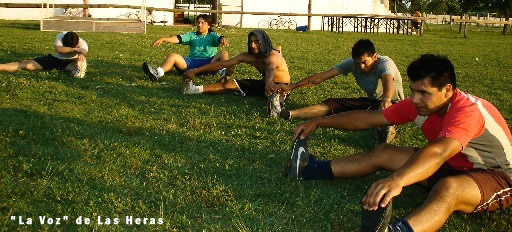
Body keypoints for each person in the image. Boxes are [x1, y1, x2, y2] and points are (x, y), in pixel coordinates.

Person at [286, 54, 512, 232]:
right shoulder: (419, 105)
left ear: (448, 90)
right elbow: (368, 118)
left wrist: (398, 180)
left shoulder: (467, 112)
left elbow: (439, 152)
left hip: (496, 174)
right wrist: (319, 121)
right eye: (413, 91)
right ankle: (309, 170)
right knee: (383, 151)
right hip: (453, 164)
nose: (415, 99)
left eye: (423, 92)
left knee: (448, 188)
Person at [277, 39, 404, 143]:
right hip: (372, 102)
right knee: (334, 103)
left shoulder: (385, 63)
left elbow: (388, 80)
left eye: (365, 62)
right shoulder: (352, 64)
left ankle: (387, 129)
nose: (361, 66)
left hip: (393, 104)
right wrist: (291, 86)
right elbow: (321, 77)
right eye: (357, 62)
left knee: (381, 114)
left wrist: (386, 99)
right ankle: (289, 114)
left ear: (375, 57)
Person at [182, 30, 290, 118]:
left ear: (263, 42)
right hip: (264, 84)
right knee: (229, 84)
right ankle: (194, 89)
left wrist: (269, 81)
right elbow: (223, 64)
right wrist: (195, 71)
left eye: (256, 41)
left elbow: (270, 68)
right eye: (251, 42)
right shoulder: (248, 56)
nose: (253, 45)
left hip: (279, 85)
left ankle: (277, 105)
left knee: (276, 92)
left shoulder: (273, 56)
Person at [142, 14, 229, 81]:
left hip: (209, 64)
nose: (199, 25)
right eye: (198, 22)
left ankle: (224, 73)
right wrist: (164, 39)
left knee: (224, 53)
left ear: (209, 25)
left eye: (203, 23)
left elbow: (220, 38)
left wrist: (223, 39)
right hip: (192, 63)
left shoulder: (212, 35)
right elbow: (178, 38)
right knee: (173, 56)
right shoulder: (192, 35)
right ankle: (157, 73)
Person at [0, 31, 88, 78]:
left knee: (76, 66)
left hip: (70, 62)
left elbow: (84, 51)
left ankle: (79, 71)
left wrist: (81, 54)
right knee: (27, 64)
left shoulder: (81, 41)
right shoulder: (61, 36)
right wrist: (75, 49)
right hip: (54, 59)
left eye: (76, 46)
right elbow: (59, 50)